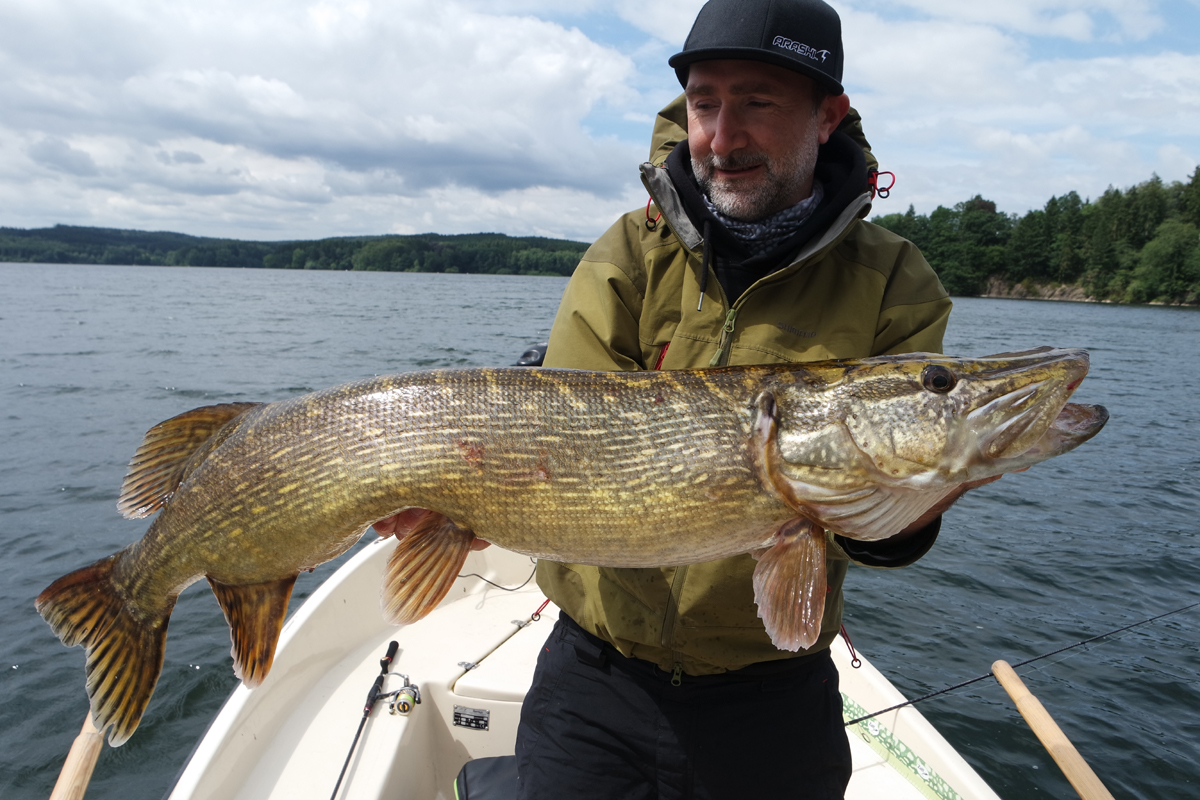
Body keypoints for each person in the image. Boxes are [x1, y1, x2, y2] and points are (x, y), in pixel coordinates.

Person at [379, 1, 988, 797]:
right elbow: (558, 454)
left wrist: (920, 498)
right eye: (705, 103)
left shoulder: (896, 283)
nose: (723, 137)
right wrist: (458, 499)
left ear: (828, 116)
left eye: (758, 103)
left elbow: (881, 531)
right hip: (595, 677)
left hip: (772, 697)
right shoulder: (630, 255)